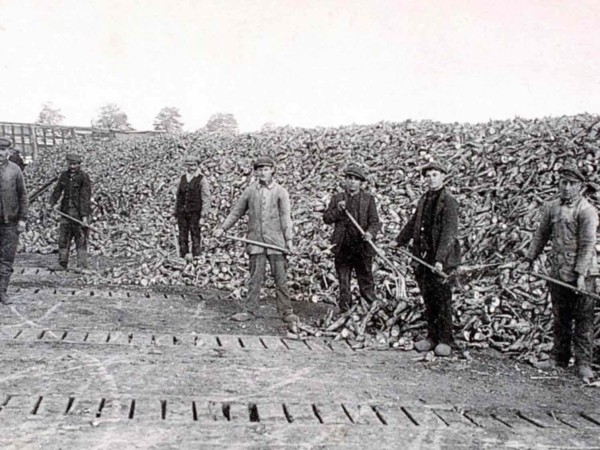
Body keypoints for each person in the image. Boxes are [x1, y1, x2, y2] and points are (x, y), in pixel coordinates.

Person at [523, 164, 598, 382]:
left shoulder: (587, 211)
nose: (566, 188)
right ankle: (559, 358)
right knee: (560, 317)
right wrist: (529, 259)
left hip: (584, 275)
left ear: (581, 187)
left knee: (583, 320)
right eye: (563, 183)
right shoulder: (552, 207)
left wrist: (581, 275)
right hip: (558, 271)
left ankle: (583, 363)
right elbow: (541, 235)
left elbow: (587, 244)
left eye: (571, 184)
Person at [213, 156, 299, 332]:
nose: (262, 172)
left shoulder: (281, 192)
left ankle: (286, 311)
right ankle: (250, 310)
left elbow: (285, 217)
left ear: (272, 170)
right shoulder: (250, 191)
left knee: (280, 279)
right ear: (256, 172)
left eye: (266, 169)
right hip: (256, 241)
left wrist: (289, 239)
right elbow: (236, 212)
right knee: (255, 278)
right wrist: (223, 228)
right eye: (259, 170)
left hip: (276, 242)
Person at [396, 161, 461, 357]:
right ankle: (432, 337)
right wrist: (399, 241)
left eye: (435, 175)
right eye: (428, 175)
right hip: (423, 257)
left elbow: (449, 233)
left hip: (441, 259)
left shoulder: (449, 201)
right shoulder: (424, 199)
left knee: (442, 299)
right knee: (429, 298)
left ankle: (445, 339)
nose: (431, 178)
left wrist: (440, 259)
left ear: (443, 177)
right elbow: (413, 223)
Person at [323, 164, 381, 312]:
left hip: (362, 246)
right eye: (349, 178)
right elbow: (327, 219)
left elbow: (375, 222)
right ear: (345, 181)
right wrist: (337, 209)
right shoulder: (338, 198)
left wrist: (370, 233)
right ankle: (345, 311)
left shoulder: (368, 199)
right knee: (344, 281)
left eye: (356, 179)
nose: (352, 182)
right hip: (343, 247)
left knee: (365, 279)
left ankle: (369, 310)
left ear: (361, 183)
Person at [48, 153, 92, 273]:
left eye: (75, 164)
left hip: (78, 214)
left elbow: (85, 198)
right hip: (66, 212)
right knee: (63, 239)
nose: (72, 166)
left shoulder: (84, 177)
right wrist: (51, 203)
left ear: (79, 164)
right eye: (70, 164)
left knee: (80, 239)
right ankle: (62, 263)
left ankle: (82, 265)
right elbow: (57, 191)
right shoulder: (64, 176)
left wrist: (84, 216)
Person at [0, 137, 28, 305]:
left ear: (9, 152)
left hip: (9, 222)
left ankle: (2, 292)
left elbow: (23, 196)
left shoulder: (15, 170)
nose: (0, 154)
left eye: (3, 150)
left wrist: (23, 219)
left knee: (6, 259)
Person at [175, 155, 211, 258]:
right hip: (182, 213)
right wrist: (175, 214)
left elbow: (206, 199)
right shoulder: (182, 178)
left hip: (195, 213)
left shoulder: (201, 179)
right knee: (182, 237)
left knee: (195, 236)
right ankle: (183, 257)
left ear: (197, 166)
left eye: (194, 165)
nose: (191, 168)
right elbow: (179, 197)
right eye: (189, 165)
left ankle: (196, 259)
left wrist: (203, 216)